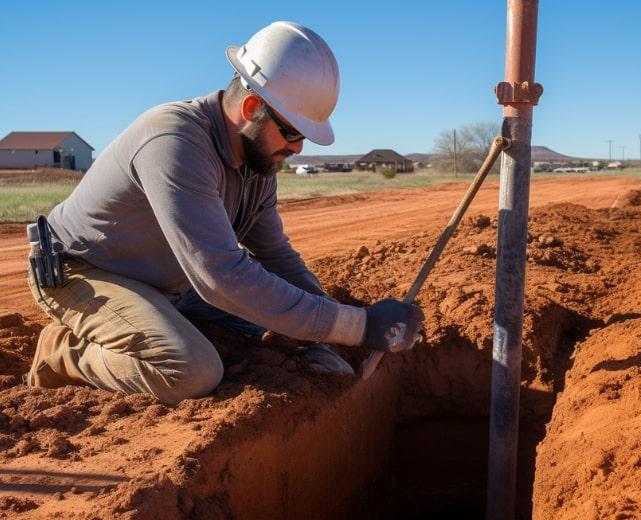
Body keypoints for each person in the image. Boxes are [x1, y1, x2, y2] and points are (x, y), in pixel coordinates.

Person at [25, 21, 424, 405]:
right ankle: (63, 352)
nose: (299, 149)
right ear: (252, 106)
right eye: (292, 132)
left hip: (171, 285)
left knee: (272, 320)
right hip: (85, 273)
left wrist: (325, 336)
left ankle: (160, 318)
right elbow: (220, 276)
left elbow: (276, 257)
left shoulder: (258, 163)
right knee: (190, 370)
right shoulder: (175, 142)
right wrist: (357, 326)